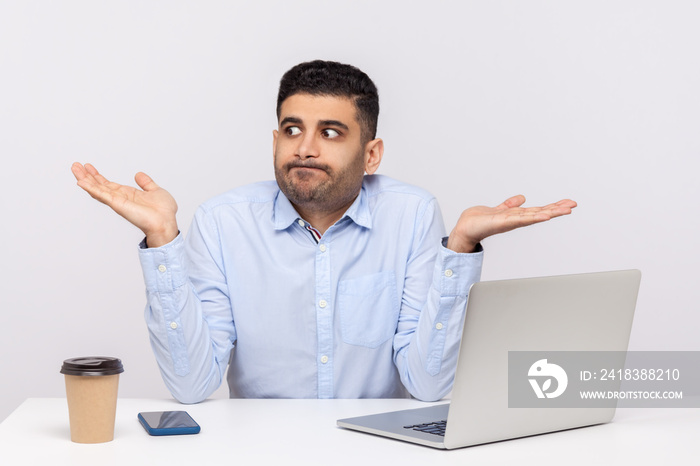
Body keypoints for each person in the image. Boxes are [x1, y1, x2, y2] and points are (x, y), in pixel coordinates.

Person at [71, 60, 576, 403]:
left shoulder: (412, 214)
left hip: (378, 450)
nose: (305, 148)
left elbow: (426, 385)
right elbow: (191, 386)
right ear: (275, 139)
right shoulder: (222, 222)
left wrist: (460, 248)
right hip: (259, 451)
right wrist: (162, 239)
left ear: (371, 154)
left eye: (330, 133)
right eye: (292, 130)